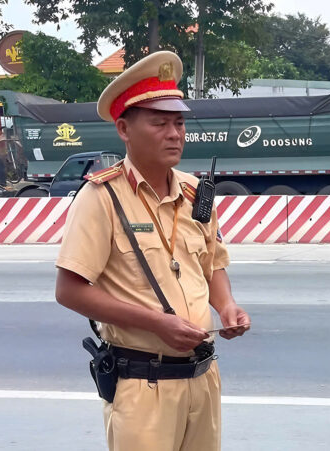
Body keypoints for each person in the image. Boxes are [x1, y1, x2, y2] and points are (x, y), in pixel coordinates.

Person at [55, 50, 250, 451]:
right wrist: (156, 324)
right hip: (142, 384)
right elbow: (70, 290)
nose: (175, 133)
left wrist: (227, 305)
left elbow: (211, 263)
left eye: (179, 122)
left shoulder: (197, 192)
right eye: (160, 123)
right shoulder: (101, 197)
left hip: (203, 378)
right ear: (124, 129)